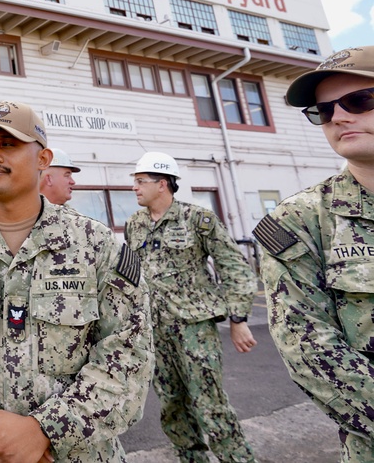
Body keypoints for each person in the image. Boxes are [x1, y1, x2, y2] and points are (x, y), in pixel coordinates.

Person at [0, 100, 153, 463]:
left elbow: (128, 356)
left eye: (8, 144)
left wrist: (46, 432)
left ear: (42, 159)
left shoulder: (96, 247)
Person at [251, 46, 374, 463]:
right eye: (323, 110)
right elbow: (307, 347)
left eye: (360, 101)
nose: (339, 117)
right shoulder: (300, 219)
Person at [124, 151, 257, 463]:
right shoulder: (134, 225)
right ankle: (191, 458)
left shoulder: (199, 219)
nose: (135, 187)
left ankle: (237, 459)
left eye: (141, 181)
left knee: (209, 401)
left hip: (194, 326)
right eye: (135, 181)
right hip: (155, 329)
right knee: (172, 403)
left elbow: (234, 268)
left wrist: (238, 318)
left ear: (164, 184)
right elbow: (133, 276)